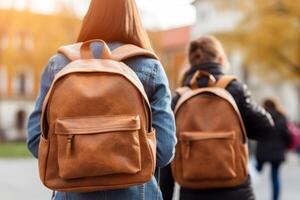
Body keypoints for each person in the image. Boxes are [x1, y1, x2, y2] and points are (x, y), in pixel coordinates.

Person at [27, 0, 177, 199]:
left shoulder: (58, 65)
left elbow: (36, 140)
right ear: (132, 19)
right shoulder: (150, 67)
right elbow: (163, 151)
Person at [160, 36, 274, 200]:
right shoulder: (234, 89)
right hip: (236, 192)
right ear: (221, 58)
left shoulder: (178, 98)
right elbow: (266, 128)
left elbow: (167, 160)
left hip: (192, 193)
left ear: (191, 63)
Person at [256, 98, 291, 200]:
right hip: (277, 151)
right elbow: (286, 135)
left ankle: (246, 194)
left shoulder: (261, 116)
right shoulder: (282, 117)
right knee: (275, 176)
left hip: (263, 150)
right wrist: (287, 146)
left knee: (254, 172)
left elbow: (256, 132)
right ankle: (275, 199)